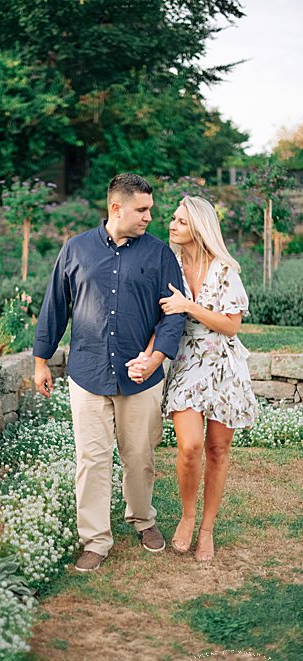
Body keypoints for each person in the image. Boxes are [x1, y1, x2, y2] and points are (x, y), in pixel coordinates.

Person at [33, 173, 186, 572]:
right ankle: (96, 540)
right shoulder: (76, 250)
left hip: (141, 378)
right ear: (116, 208)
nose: (151, 217)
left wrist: (156, 359)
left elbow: (174, 315)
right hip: (88, 373)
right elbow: (55, 307)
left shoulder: (159, 255)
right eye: (143, 209)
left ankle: (143, 519)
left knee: (139, 457)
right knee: (92, 459)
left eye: (150, 209)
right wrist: (40, 360)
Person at [131, 196, 256, 561]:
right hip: (186, 362)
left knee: (218, 449)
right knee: (190, 447)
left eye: (180, 221)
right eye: (172, 218)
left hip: (223, 366)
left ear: (199, 227)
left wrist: (190, 307)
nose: (171, 225)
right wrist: (149, 354)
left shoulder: (224, 270)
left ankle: (206, 530)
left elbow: (231, 325)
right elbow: (160, 318)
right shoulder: (168, 265)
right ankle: (187, 517)